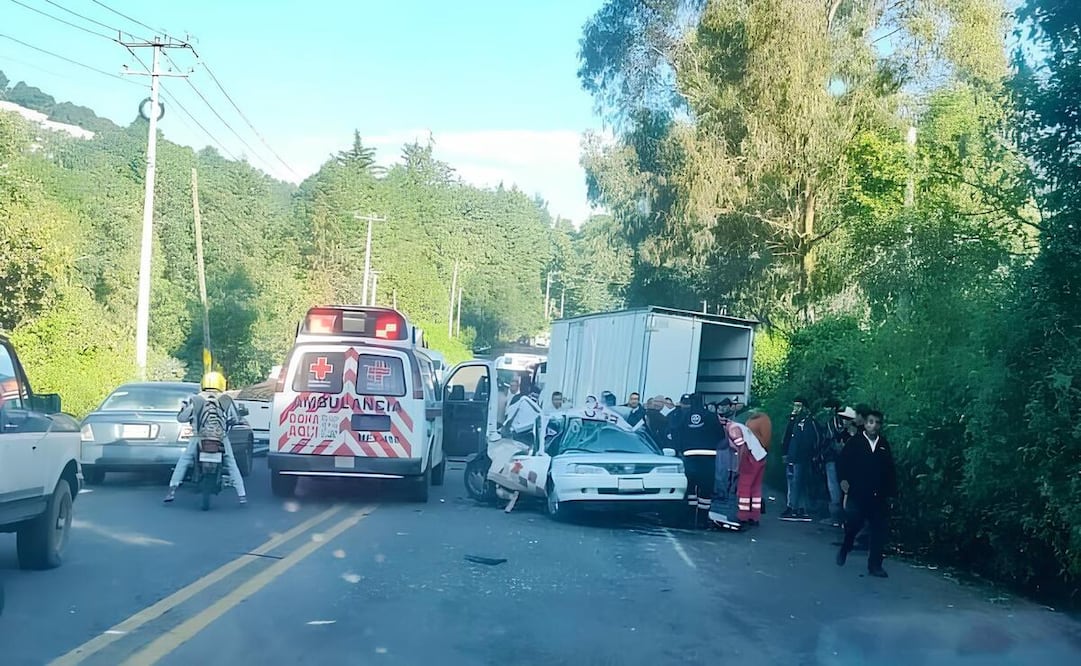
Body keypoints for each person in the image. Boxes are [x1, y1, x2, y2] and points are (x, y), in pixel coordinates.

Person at [164, 372, 247, 504]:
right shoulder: (226, 399)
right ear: (221, 383)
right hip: (221, 437)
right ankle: (242, 495)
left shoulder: (195, 399)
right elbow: (236, 419)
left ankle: (172, 490)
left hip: (199, 437)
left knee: (184, 459)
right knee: (231, 463)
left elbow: (182, 418)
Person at [837, 409, 897, 578]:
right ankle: (846, 546)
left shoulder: (883, 444)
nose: (874, 426)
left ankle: (875, 565)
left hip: (879, 495)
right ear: (865, 423)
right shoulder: (855, 442)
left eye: (877, 423)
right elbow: (842, 462)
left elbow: (890, 469)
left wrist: (892, 493)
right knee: (855, 525)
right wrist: (843, 480)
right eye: (871, 422)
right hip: (858, 493)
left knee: (879, 530)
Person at [676, 393, 722, 524]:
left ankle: (690, 519)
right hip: (708, 457)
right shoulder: (710, 416)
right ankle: (702, 521)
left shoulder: (685, 417)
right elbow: (720, 434)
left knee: (691, 488)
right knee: (705, 490)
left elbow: (678, 432)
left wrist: (682, 448)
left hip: (690, 456)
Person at [728, 410, 771, 526]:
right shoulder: (739, 426)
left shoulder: (732, 429)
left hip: (751, 458)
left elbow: (742, 447)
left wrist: (738, 464)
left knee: (744, 487)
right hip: (760, 456)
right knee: (755, 488)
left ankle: (743, 516)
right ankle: (754, 516)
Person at [780, 396, 820, 522]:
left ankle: (797, 507)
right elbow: (787, 436)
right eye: (795, 405)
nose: (796, 408)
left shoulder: (808, 421)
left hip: (801, 457)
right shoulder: (793, 420)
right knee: (791, 481)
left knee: (799, 482)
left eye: (799, 406)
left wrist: (809, 455)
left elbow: (810, 439)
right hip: (792, 455)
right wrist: (785, 453)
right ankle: (792, 506)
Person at [709, 398, 741, 531]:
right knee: (722, 472)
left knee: (725, 472)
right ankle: (722, 492)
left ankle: (723, 492)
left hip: (726, 448)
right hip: (722, 448)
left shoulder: (730, 421)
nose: (721, 409)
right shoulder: (724, 420)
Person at [821, 406, 856, 526]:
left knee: (837, 490)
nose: (845, 421)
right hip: (838, 463)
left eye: (847, 418)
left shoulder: (853, 433)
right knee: (836, 489)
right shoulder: (843, 432)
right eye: (843, 418)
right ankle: (838, 518)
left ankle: (838, 518)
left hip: (844, 465)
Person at [502, 380, 541, 447]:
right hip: (517, 432)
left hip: (527, 433)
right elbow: (510, 415)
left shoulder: (533, 405)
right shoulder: (521, 400)